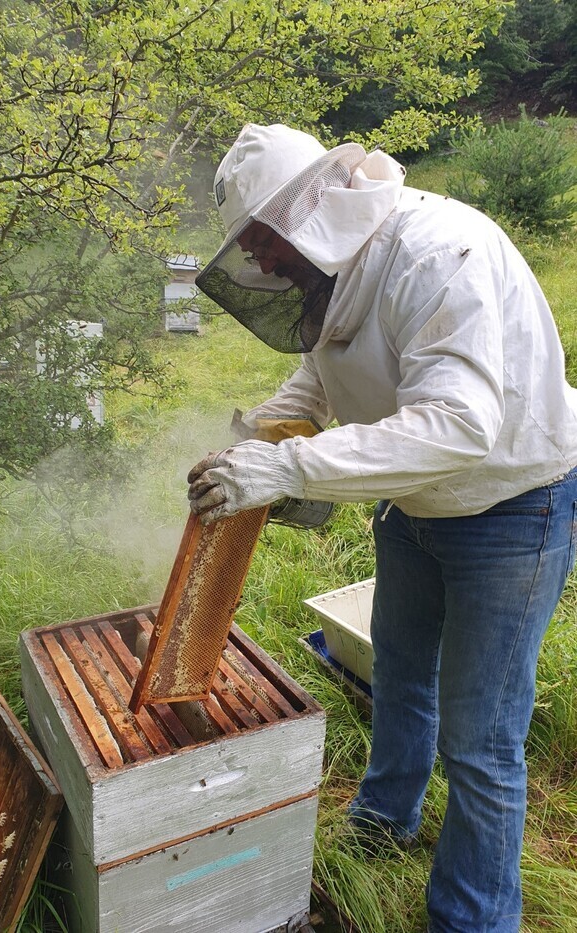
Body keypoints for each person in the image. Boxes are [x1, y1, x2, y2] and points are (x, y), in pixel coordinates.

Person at [186, 123, 577, 933]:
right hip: (413, 507)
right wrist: (255, 440)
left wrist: (290, 469)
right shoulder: (338, 272)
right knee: (400, 674)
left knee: (482, 740)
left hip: (512, 508)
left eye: (262, 241)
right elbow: (318, 374)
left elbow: (460, 424)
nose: (259, 264)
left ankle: (471, 919)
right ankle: (385, 819)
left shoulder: (440, 254)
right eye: (249, 249)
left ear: (311, 208)